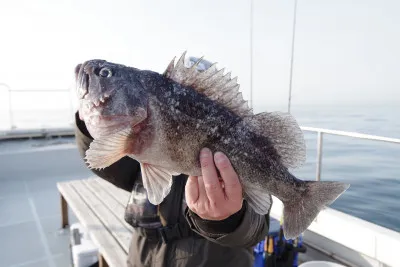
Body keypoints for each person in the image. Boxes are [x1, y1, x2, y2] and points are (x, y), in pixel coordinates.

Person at [73, 56, 271, 267]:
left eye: (105, 74)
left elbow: (256, 229)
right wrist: (90, 126)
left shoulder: (249, 148)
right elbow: (105, 163)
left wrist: (227, 220)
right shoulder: (142, 150)